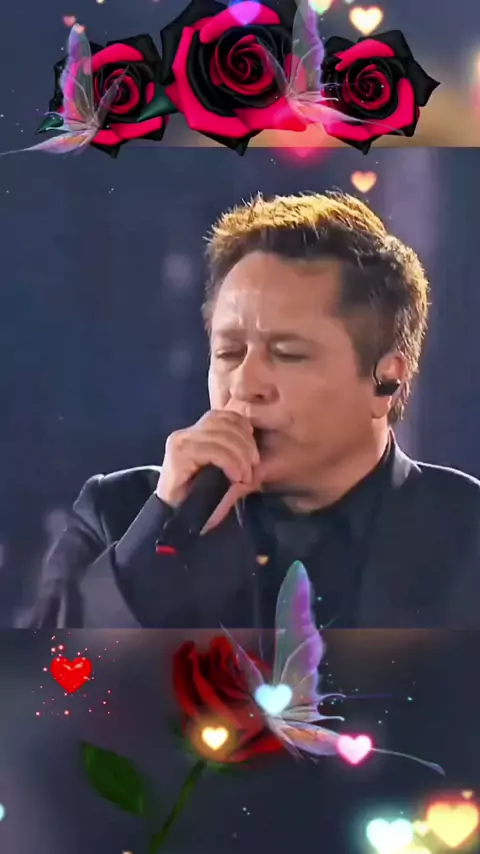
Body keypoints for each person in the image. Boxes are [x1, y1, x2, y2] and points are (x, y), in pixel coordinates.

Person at [23, 191, 480, 629]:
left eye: (287, 354)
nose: (243, 384)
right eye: (229, 352)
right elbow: (47, 676)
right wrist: (161, 532)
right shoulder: (116, 515)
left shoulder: (466, 533)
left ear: (386, 380)